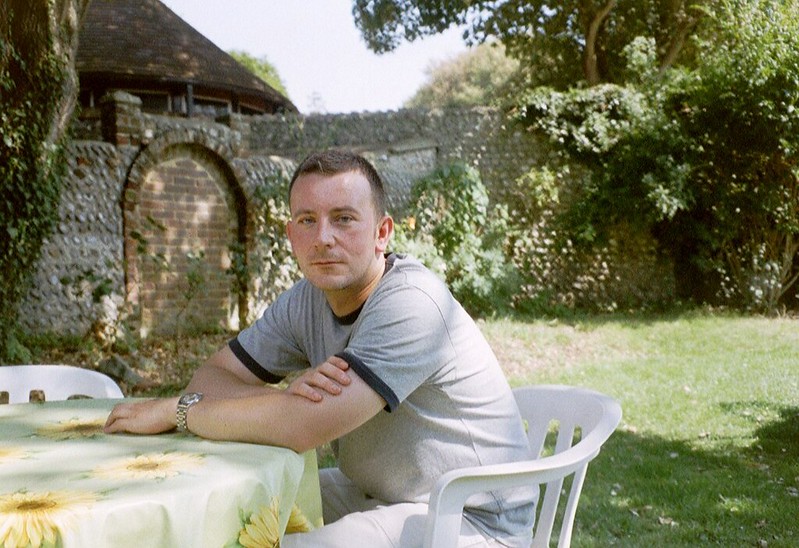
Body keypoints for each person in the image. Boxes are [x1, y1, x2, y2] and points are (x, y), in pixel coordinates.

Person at [104, 149, 535, 547]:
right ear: (291, 234)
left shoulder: (413, 303)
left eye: (344, 218)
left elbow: (302, 429)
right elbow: (211, 379)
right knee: (225, 513)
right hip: (376, 493)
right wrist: (284, 402)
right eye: (307, 220)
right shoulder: (306, 301)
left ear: (382, 233)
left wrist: (179, 411)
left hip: (468, 519)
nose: (323, 237)